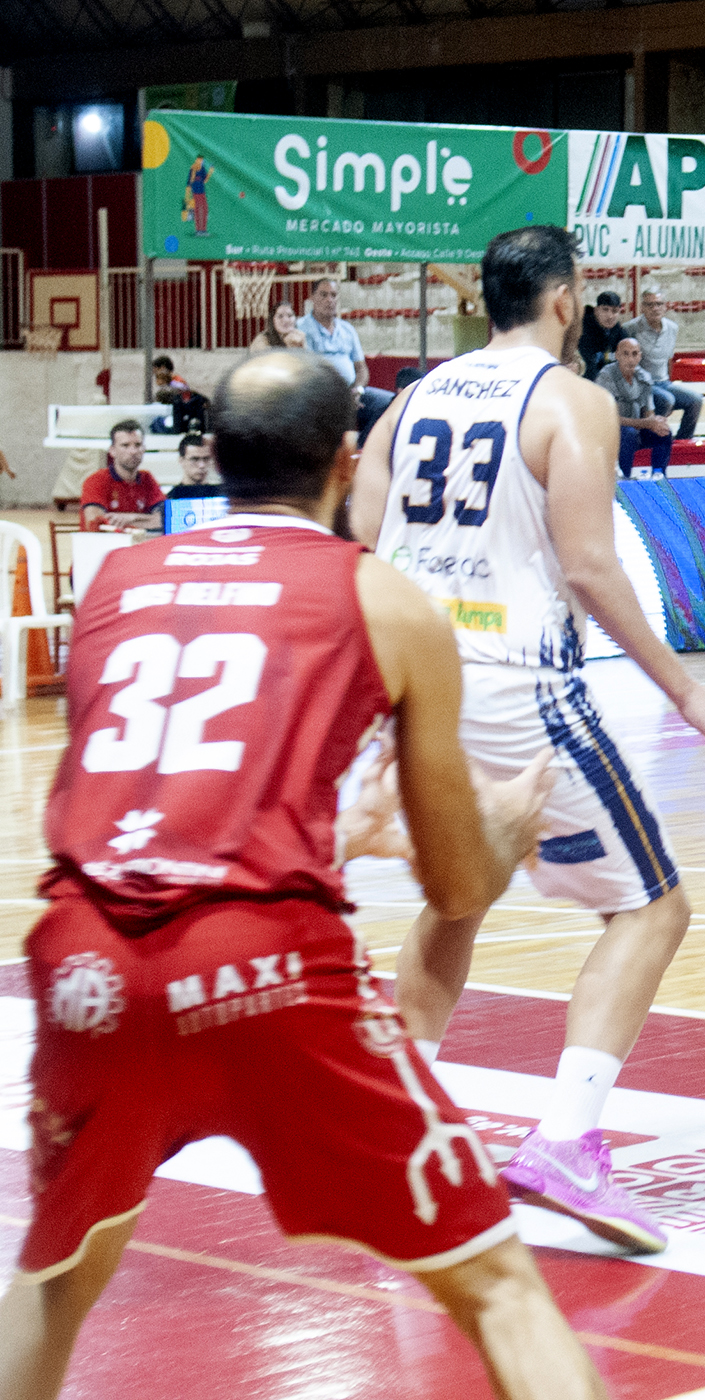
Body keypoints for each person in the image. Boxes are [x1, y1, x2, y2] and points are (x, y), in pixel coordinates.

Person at [1, 350, 609, 1400]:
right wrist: (502, 830)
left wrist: (337, 833)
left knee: (57, 1277)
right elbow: (458, 890)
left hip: (86, 958)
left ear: (213, 454)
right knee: (502, 1291)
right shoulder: (383, 597)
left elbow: (162, 800)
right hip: (263, 964)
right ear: (346, 461)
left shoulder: (117, 583)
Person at [351, 225, 705, 1254]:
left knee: (458, 896)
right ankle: (568, 1140)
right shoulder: (570, 399)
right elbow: (588, 565)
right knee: (653, 907)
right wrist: (685, 689)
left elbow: (359, 545)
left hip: (417, 680)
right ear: (566, 300)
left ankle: (399, 1127)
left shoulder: (409, 401)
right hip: (518, 683)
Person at [298, 279, 393, 442]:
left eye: (333, 295)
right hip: (321, 393)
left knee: (388, 402)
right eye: (323, 295)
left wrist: (357, 391)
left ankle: (361, 448)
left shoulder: (347, 329)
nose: (329, 300)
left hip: (351, 391)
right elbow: (307, 370)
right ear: (312, 298)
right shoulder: (301, 328)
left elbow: (361, 369)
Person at [623, 287, 701, 441]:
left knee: (695, 400)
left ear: (665, 307)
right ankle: (650, 439)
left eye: (659, 304)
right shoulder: (630, 328)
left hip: (663, 382)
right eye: (650, 305)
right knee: (666, 400)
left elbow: (669, 359)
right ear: (642, 307)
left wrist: (669, 381)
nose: (655, 308)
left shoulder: (672, 328)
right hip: (641, 383)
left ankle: (682, 442)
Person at [594, 336, 673, 478]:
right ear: (617, 355)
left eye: (635, 354)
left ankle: (659, 475)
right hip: (609, 432)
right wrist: (645, 423)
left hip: (635, 429)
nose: (630, 359)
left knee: (664, 432)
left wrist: (655, 423)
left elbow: (648, 413)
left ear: (640, 356)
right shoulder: (606, 376)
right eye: (625, 354)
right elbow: (609, 418)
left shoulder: (644, 377)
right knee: (628, 433)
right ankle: (624, 477)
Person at [79, 420, 164, 532]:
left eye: (138, 445)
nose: (133, 451)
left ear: (144, 448)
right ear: (112, 451)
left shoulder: (147, 479)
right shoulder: (96, 480)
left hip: (140, 542)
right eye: (125, 445)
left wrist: (131, 518)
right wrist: (146, 521)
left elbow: (165, 519)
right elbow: (96, 523)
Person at [578, 290, 627, 384]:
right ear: (596, 310)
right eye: (605, 310)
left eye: (614, 311)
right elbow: (589, 370)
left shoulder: (619, 332)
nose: (610, 316)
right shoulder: (582, 332)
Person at [165, 433, 222, 499]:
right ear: (181, 460)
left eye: (206, 459)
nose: (202, 465)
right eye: (194, 459)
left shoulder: (222, 497)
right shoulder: (171, 499)